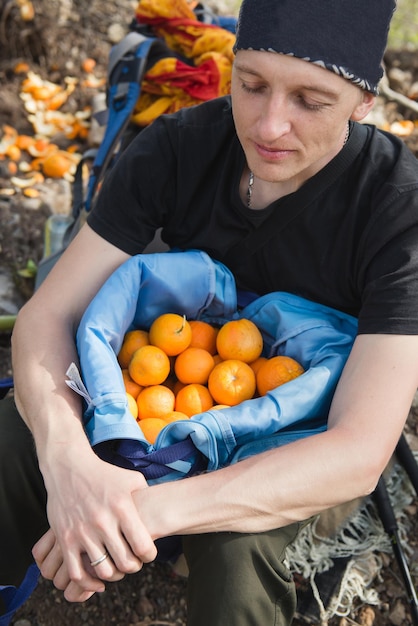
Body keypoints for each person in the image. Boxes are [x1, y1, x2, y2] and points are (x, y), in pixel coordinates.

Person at [2, 0, 418, 624]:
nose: (270, 125)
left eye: (310, 101)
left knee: (238, 551)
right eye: (251, 85)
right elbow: (47, 316)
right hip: (155, 394)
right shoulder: (179, 148)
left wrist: (142, 510)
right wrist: (69, 466)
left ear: (363, 100)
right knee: (14, 435)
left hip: (295, 435)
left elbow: (357, 449)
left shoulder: (398, 212)